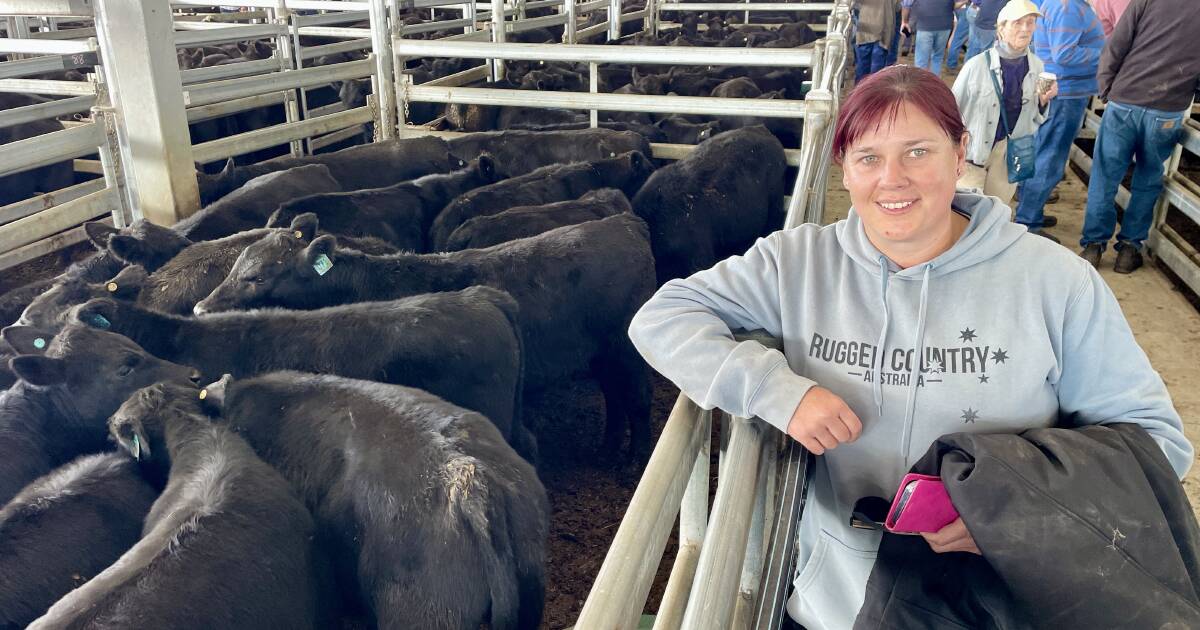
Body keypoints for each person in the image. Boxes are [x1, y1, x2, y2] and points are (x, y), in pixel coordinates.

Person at [627, 65, 1190, 630]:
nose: (891, 179)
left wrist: (1014, 512)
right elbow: (662, 316)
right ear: (843, 167)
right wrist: (773, 389)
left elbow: (1155, 445)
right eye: (868, 157)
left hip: (997, 598)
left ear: (960, 150)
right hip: (835, 600)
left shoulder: (1055, 282)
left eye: (918, 151)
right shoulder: (797, 263)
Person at [1078, 0, 1200, 272]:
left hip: (1125, 100)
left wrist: (1107, 87)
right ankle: (1129, 250)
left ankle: (1093, 247)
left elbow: (1116, 44)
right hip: (1168, 108)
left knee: (1106, 174)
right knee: (1148, 178)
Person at [951, 0, 1057, 212]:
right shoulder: (976, 66)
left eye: (1030, 23)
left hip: (1009, 154)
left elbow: (1036, 117)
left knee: (996, 213)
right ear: (1001, 28)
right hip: (973, 151)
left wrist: (1044, 102)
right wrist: (954, 152)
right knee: (965, 214)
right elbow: (951, 111)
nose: (1025, 29)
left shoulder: (1037, 66)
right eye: (1018, 23)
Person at [1011, 0, 1103, 240]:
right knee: (1050, 157)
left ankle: (1029, 211)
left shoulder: (1060, 4)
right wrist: (1107, 50)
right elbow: (1064, 54)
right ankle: (1028, 222)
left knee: (1041, 150)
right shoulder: (1068, 7)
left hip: (1057, 89)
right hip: (1065, 93)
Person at [901, 0, 955, 75]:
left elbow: (907, 4)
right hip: (944, 25)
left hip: (925, 25)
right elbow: (957, 4)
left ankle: (920, 84)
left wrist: (905, 22)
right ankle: (934, 84)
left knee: (921, 61)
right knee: (937, 58)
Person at [854, 0, 899, 82]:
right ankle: (872, 92)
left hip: (865, 30)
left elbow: (855, 5)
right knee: (877, 69)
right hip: (883, 30)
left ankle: (859, 91)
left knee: (862, 66)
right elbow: (898, 7)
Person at [944, 0, 972, 71]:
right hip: (965, 8)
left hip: (959, 7)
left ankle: (951, 64)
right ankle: (951, 65)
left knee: (957, 38)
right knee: (957, 40)